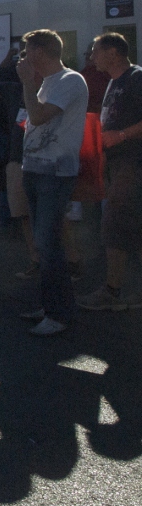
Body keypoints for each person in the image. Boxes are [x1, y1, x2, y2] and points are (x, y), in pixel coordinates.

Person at [16, 29, 88, 336]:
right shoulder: (44, 82)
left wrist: (27, 83)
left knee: (48, 243)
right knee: (43, 243)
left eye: (27, 51)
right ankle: (51, 306)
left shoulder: (70, 80)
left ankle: (59, 314)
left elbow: (39, 116)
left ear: (39, 52)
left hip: (56, 172)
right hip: (35, 168)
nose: (23, 57)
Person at [77, 33, 142, 311]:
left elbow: (122, 130)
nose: (92, 57)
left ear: (113, 53)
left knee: (114, 226)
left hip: (132, 165)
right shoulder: (114, 81)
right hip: (118, 165)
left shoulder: (136, 77)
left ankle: (111, 292)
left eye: (95, 51)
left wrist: (122, 135)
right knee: (131, 228)